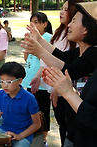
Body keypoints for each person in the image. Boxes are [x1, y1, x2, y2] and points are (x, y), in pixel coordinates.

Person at [21, 1, 97, 146]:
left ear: (86, 29)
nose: (69, 25)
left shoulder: (94, 52)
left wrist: (39, 51)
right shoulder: (81, 51)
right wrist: (39, 40)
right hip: (75, 124)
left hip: (85, 130)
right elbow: (61, 57)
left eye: (74, 21)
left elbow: (69, 70)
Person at [0, 62, 41, 147]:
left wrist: (19, 136)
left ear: (20, 81)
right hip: (3, 131)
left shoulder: (29, 99)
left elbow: (37, 124)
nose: (4, 85)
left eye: (9, 82)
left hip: (22, 134)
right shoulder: (0, 95)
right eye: (2, 81)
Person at [21, 12, 53, 147]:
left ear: (44, 24)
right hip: (29, 79)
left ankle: (43, 140)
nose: (33, 25)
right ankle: (32, 137)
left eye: (36, 22)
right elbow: (26, 59)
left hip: (42, 83)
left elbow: (48, 60)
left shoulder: (48, 38)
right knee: (30, 112)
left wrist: (38, 76)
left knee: (43, 112)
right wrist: (28, 44)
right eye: (31, 22)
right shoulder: (31, 37)